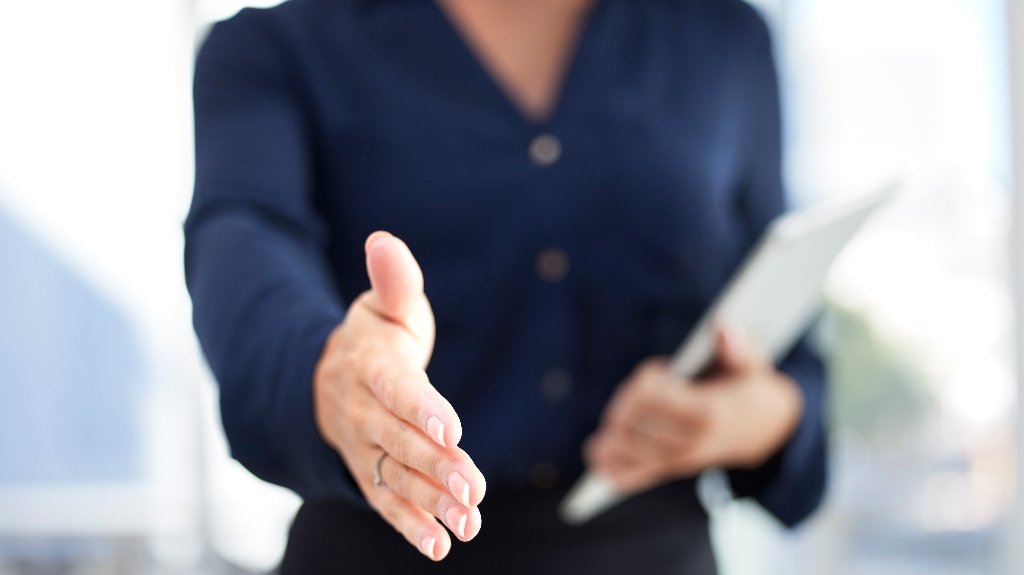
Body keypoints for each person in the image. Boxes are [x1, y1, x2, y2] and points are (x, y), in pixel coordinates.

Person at [185, 0, 827, 573]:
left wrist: (753, 417)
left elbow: (792, 352)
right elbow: (244, 246)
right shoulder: (273, 49)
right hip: (382, 548)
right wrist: (333, 374)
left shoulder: (725, 38)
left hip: (657, 549)